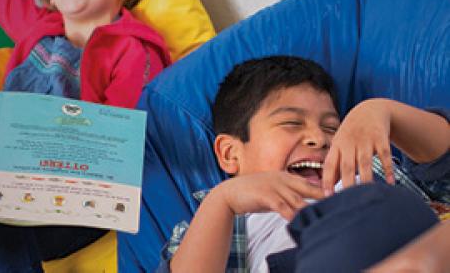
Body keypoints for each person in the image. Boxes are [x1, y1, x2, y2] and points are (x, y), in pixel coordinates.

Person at [0, 0, 170, 272]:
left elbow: (118, 139)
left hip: (77, 204)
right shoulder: (36, 29)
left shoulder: (133, 50)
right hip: (4, 182)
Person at [158, 56, 448, 272]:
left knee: (394, 212)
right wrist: (223, 200)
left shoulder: (365, 171)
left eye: (333, 128)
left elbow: (441, 167)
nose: (319, 138)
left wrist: (382, 112)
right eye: (292, 123)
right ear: (231, 154)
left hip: (403, 241)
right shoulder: (218, 223)